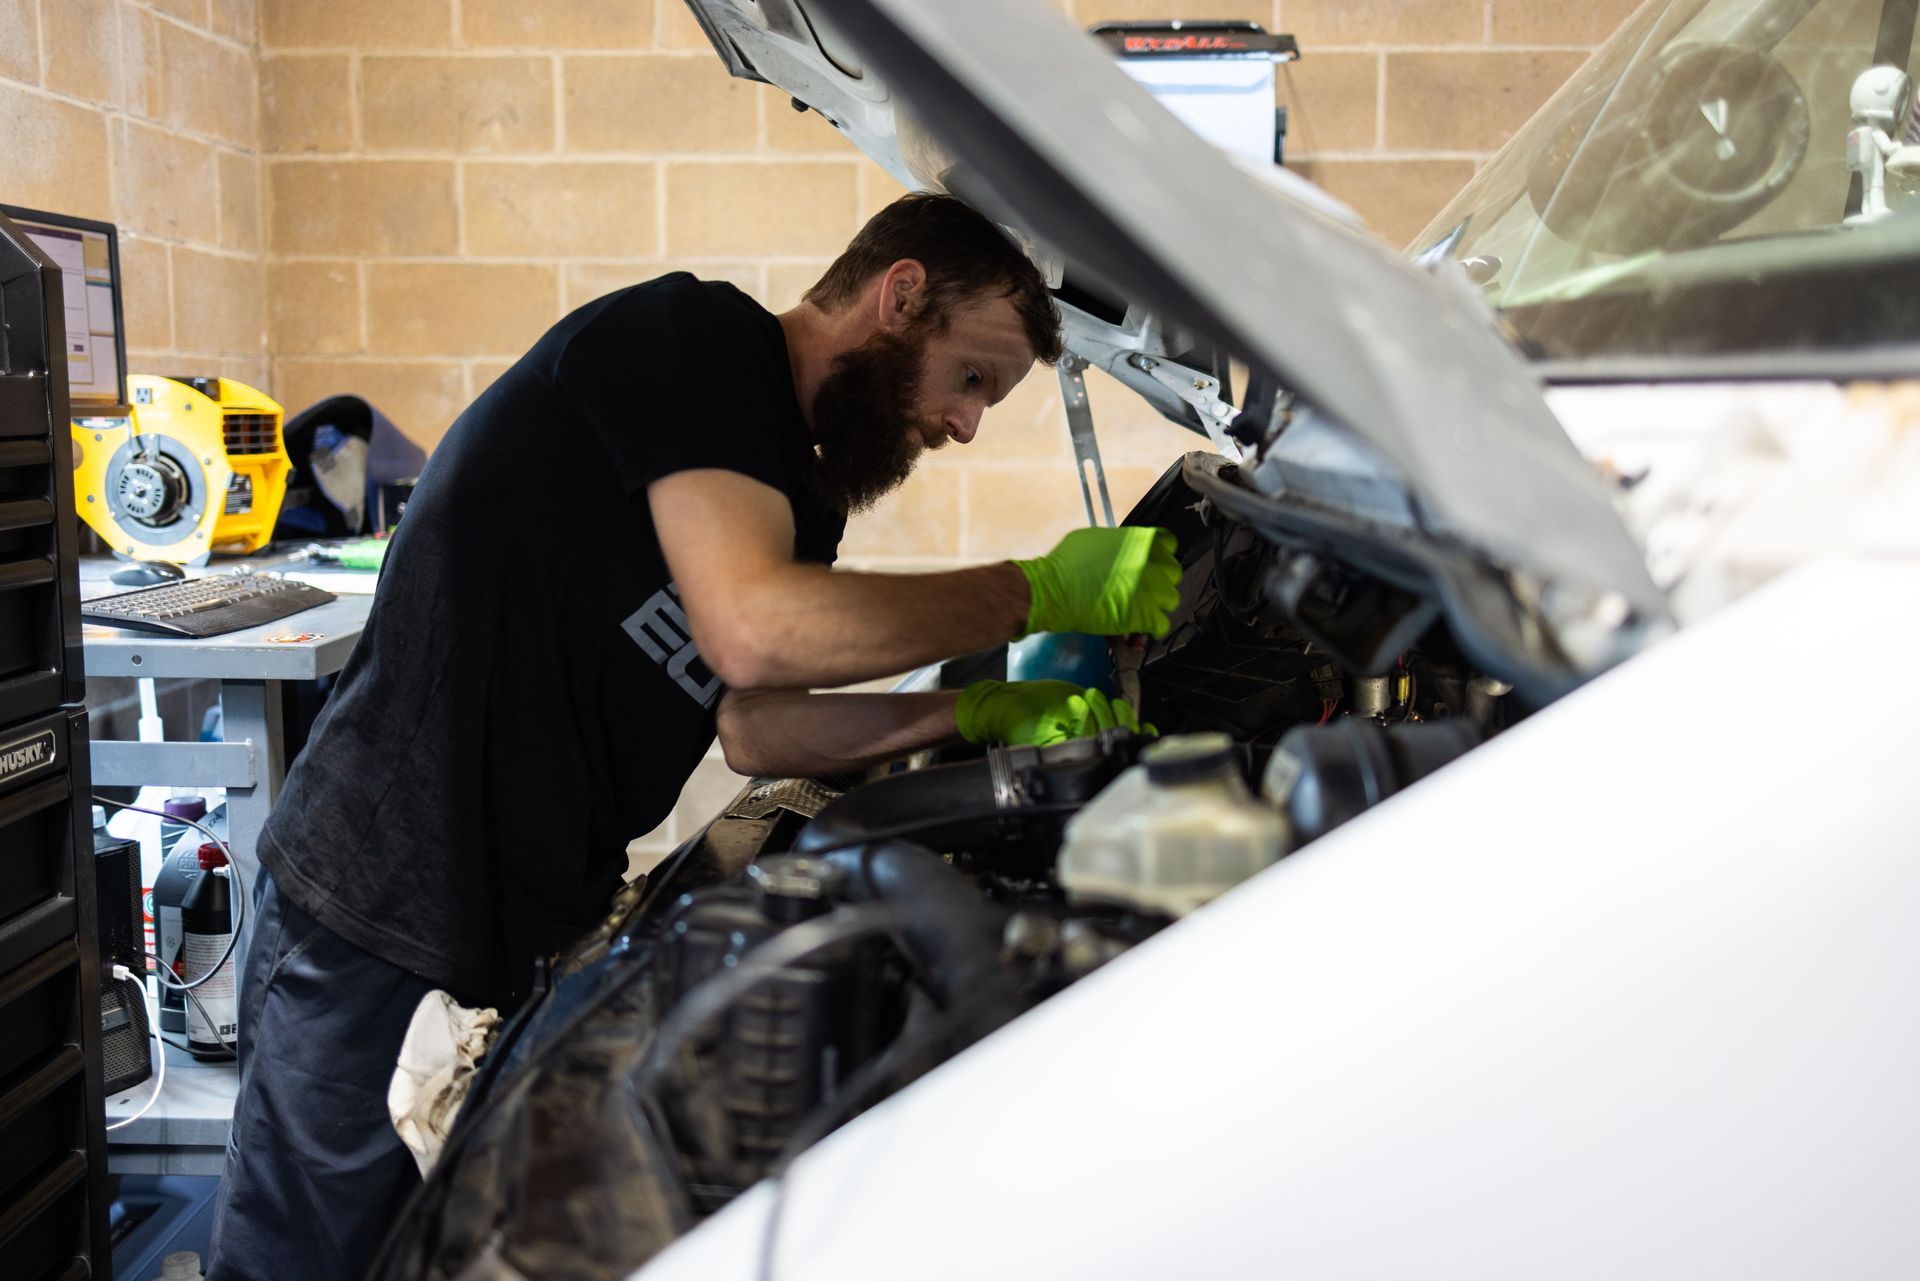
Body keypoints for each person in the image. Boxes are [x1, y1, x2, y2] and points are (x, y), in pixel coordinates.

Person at [205, 193, 1181, 1280]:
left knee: (434, 1251)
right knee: (306, 1258)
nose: (963, 426)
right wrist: (1034, 592)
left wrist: (976, 712)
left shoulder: (795, 493)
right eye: (972, 380)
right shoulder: (698, 343)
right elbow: (756, 631)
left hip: (518, 920)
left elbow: (756, 727)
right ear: (900, 297)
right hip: (385, 898)